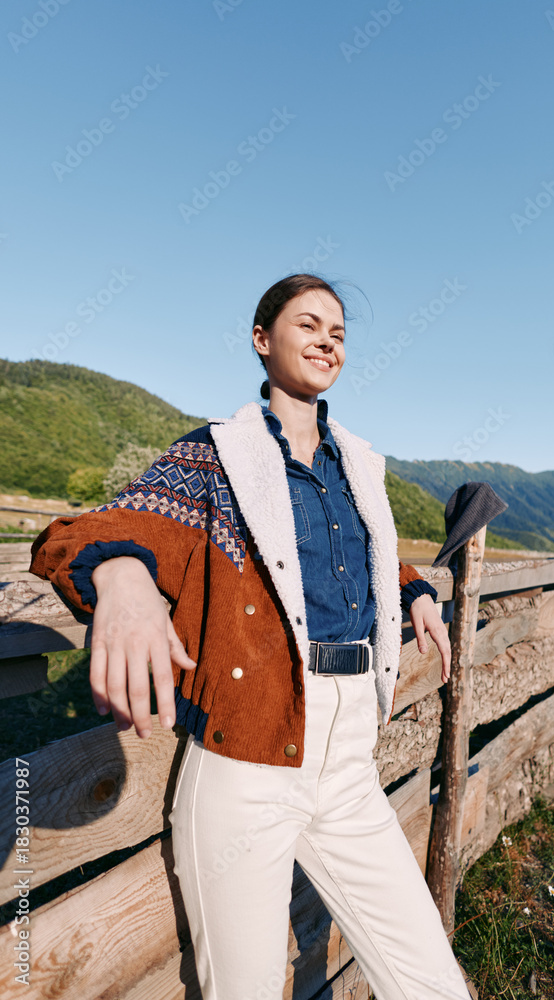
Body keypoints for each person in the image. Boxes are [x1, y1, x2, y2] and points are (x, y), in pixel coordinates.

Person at [30, 274, 470, 1000]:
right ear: (262, 341)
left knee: (430, 980)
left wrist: (414, 589)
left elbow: (359, 555)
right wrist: (126, 580)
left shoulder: (355, 462)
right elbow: (96, 530)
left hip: (348, 751)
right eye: (307, 325)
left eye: (338, 331)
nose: (327, 339)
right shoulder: (213, 457)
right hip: (249, 759)